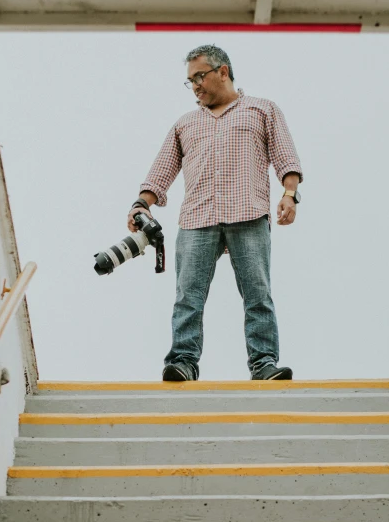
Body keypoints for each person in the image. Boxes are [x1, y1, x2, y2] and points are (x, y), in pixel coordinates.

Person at [127, 44, 303, 381]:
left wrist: (290, 194)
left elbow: (285, 155)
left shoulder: (262, 109)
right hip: (197, 219)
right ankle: (183, 362)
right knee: (187, 297)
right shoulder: (185, 124)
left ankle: (264, 363)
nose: (194, 85)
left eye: (199, 76)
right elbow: (162, 169)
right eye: (189, 81)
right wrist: (141, 203)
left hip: (248, 214)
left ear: (223, 71)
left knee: (258, 295)